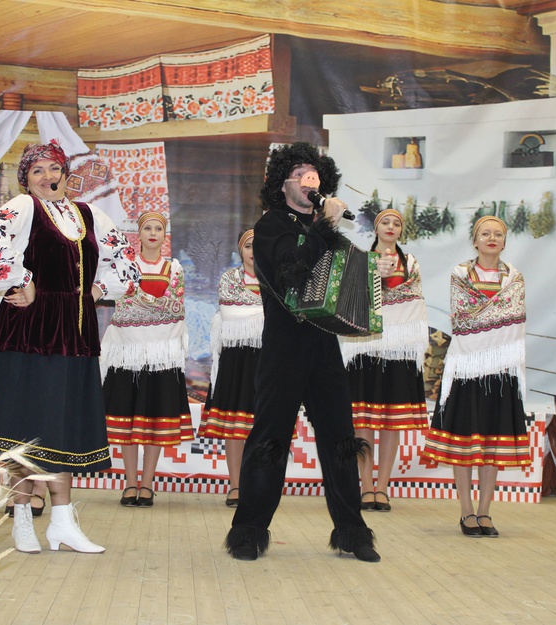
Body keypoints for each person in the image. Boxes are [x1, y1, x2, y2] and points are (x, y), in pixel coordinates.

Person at [0, 140, 139, 554]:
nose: (47, 176)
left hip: (74, 331)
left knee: (63, 425)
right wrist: (22, 281)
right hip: (29, 331)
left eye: (54, 168)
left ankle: (62, 522)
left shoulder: (89, 215)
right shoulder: (23, 207)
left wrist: (98, 289)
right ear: (26, 179)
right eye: (37, 170)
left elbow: (127, 262)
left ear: (65, 174)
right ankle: (22, 519)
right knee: (25, 425)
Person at [224, 142, 380, 563]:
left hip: (324, 344)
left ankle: (352, 532)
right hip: (284, 347)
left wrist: (370, 269)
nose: (308, 181)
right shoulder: (270, 225)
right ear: (283, 184)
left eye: (314, 175)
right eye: (299, 174)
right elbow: (292, 273)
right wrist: (324, 226)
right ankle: (248, 532)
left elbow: (344, 277)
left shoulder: (329, 230)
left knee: (340, 440)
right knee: (270, 439)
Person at [422, 216, 531, 538]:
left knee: (492, 441)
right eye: (485, 233)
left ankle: (485, 511)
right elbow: (463, 318)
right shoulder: (460, 274)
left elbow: (516, 315)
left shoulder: (514, 277)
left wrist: (484, 314)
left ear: (505, 242)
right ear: (475, 240)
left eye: (498, 234)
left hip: (501, 368)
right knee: (464, 441)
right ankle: (466, 510)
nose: (492, 238)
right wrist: (496, 313)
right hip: (467, 366)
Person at [101, 212, 193, 508]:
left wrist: (140, 299)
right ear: (138, 234)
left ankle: (148, 484)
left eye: (158, 228)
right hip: (127, 352)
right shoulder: (125, 265)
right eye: (148, 228)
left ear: (165, 235)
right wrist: (154, 304)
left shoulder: (173, 267)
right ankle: (130, 483)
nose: (153, 233)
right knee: (127, 419)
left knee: (154, 419)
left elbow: (176, 307)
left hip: (161, 355)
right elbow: (122, 303)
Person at [340, 208, 429, 513]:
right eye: (385, 222)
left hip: (399, 347)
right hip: (366, 345)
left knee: (393, 421)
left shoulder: (411, 263)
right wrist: (373, 276)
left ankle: (383, 487)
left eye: (397, 223)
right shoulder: (361, 260)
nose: (391, 227)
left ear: (401, 231)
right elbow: (352, 297)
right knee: (364, 420)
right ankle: (366, 486)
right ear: (376, 229)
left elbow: (413, 299)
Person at [198, 230, 263, 507]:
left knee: (262, 426)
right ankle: (236, 485)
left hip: (267, 360)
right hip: (236, 359)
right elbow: (230, 312)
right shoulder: (229, 279)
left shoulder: (276, 280)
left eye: (258, 245)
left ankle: (258, 486)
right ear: (240, 250)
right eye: (248, 246)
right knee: (235, 427)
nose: (253, 251)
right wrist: (264, 315)